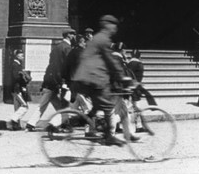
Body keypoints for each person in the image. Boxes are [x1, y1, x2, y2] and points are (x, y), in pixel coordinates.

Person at [73, 15, 137, 146]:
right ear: (107, 26)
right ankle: (109, 136)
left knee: (97, 107)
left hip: (88, 77)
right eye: (113, 25)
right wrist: (123, 77)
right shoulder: (102, 39)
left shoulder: (98, 38)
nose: (115, 28)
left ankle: (83, 121)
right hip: (92, 77)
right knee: (108, 106)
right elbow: (110, 61)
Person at [25, 28, 76, 132]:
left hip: (50, 80)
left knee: (55, 105)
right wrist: (65, 81)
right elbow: (66, 66)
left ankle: (61, 123)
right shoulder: (67, 48)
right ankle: (55, 124)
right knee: (62, 104)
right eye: (72, 34)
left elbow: (51, 65)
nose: (74, 36)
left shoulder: (56, 47)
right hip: (59, 81)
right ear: (68, 36)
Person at [9, 49, 32, 130]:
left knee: (18, 107)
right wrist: (23, 76)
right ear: (17, 56)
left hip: (16, 88)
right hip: (17, 89)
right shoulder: (15, 65)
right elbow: (15, 77)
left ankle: (16, 125)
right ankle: (13, 119)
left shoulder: (17, 64)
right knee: (24, 106)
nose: (23, 57)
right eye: (21, 55)